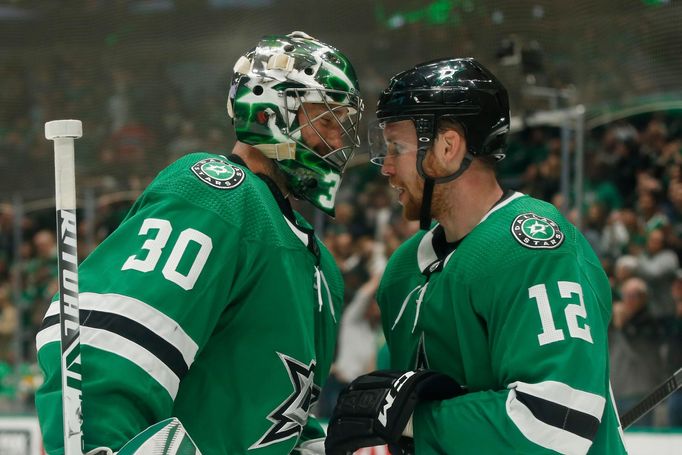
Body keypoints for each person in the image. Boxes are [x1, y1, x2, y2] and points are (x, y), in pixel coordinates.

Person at [36, 31, 363, 454]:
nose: (338, 141)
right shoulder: (217, 193)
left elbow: (280, 419)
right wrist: (100, 443)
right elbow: (111, 347)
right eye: (327, 120)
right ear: (269, 110)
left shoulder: (319, 264)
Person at [326, 58, 627, 454]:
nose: (387, 167)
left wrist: (407, 420)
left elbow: (554, 421)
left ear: (448, 147)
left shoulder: (534, 246)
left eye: (396, 148)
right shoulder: (402, 270)